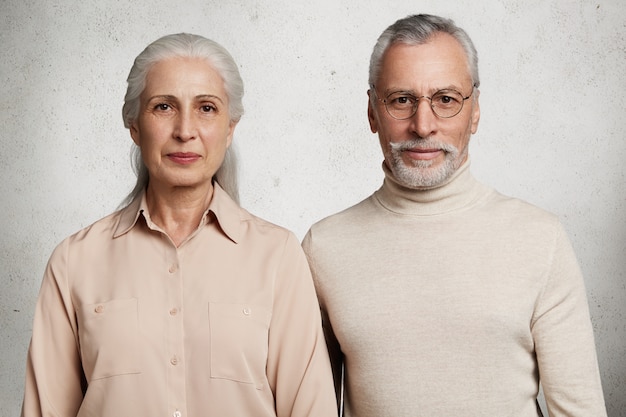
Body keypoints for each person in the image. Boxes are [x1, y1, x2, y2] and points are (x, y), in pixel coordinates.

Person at [302, 14, 607, 417]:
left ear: (475, 111)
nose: (423, 126)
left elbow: (580, 410)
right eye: (401, 100)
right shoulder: (324, 247)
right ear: (373, 112)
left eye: (445, 99)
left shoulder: (539, 239)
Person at [21, 33, 337, 417]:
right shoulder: (74, 261)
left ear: (230, 127)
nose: (185, 130)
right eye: (164, 106)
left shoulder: (278, 257)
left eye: (206, 108)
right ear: (134, 125)